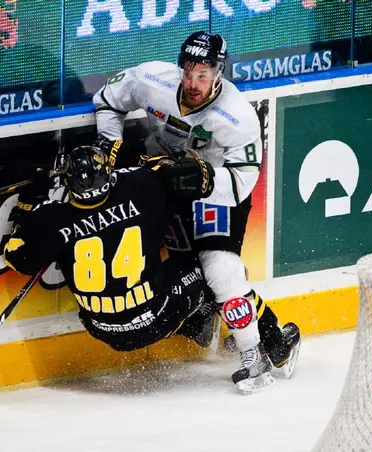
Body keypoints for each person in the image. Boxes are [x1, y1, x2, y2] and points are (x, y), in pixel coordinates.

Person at [92, 31, 301, 392]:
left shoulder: (238, 117)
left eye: (202, 76)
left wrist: (204, 181)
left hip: (215, 192)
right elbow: (108, 99)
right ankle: (223, 324)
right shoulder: (152, 79)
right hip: (162, 182)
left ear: (218, 73)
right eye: (188, 73)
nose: (192, 83)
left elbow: (242, 182)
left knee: (219, 268)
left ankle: (257, 356)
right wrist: (108, 144)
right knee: (174, 264)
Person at [4, 144, 219, 356]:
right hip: (158, 317)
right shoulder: (142, 187)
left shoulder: (50, 220)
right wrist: (152, 161)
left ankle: (190, 329)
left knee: (127, 314)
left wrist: (29, 204)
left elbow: (16, 258)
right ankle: (205, 318)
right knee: (217, 267)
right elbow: (199, 178)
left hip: (104, 332)